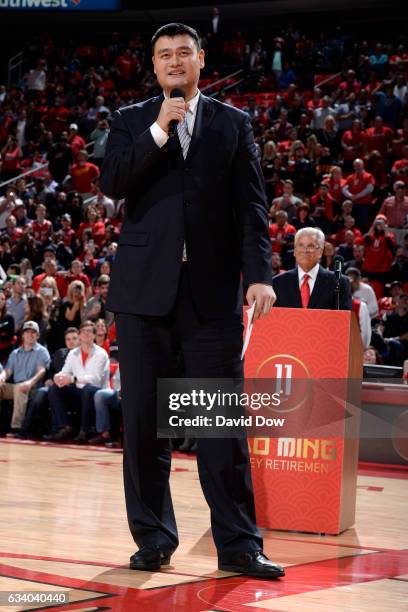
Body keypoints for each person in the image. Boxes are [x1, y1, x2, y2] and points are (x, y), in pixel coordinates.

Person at [100, 22, 283, 579]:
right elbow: (113, 182)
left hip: (210, 297)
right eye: (164, 55)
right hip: (143, 296)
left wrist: (259, 274)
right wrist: (158, 131)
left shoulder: (234, 125)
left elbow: (251, 208)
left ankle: (238, 544)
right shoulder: (131, 121)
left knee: (220, 428)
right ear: (153, 67)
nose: (175, 62)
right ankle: (153, 539)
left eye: (184, 53)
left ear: (202, 60)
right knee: (143, 425)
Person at [49, 320, 110, 443]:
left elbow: (95, 379)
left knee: (87, 389)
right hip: (78, 388)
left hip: (97, 389)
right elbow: (65, 371)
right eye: (83, 331)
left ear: (94, 335)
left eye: (89, 331)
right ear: (80, 334)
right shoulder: (73, 353)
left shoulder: (101, 353)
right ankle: (65, 427)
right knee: (54, 388)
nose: (86, 334)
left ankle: (84, 431)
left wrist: (72, 379)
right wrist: (58, 377)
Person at [21, 327, 80, 440]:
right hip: (56, 385)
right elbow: (51, 370)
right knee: (41, 393)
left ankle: (57, 429)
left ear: (79, 339)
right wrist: (48, 378)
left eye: (74, 339)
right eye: (68, 339)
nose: (71, 341)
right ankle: (27, 429)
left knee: (52, 391)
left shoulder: (81, 354)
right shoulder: (60, 353)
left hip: (72, 387)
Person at [272, 227, 352, 309]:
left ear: (320, 252)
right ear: (295, 251)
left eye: (311, 246)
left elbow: (345, 318)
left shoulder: (339, 282)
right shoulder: (277, 283)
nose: (305, 250)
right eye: (301, 245)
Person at [0, 321, 50, 437]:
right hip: (16, 387)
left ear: (38, 336)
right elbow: (8, 370)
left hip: (33, 388)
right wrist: (2, 377)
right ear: (22, 335)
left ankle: (16, 428)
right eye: (27, 332)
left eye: (33, 332)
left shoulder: (42, 351)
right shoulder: (15, 353)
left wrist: (29, 383)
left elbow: (42, 371)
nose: (30, 335)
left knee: (20, 388)